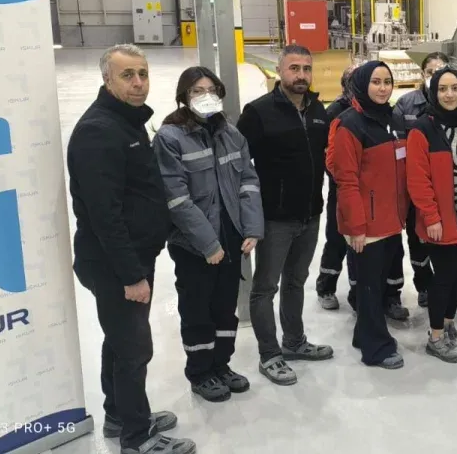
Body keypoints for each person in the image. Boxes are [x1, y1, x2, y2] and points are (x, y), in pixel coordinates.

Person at [66, 44, 193, 454]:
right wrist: (131, 275)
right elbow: (105, 216)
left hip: (132, 257)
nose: (138, 83)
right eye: (127, 75)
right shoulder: (99, 132)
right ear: (107, 80)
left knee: (119, 342)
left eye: (143, 73)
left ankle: (120, 416)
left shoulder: (126, 121)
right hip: (115, 264)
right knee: (135, 349)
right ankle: (137, 439)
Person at [153, 66, 263, 402]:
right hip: (194, 245)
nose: (206, 96)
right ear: (184, 97)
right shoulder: (169, 138)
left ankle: (221, 365)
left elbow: (248, 180)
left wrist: (252, 228)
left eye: (211, 90)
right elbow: (177, 200)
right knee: (197, 310)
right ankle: (201, 373)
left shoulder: (230, 133)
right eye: (197, 91)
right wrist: (208, 244)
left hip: (231, 238)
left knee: (225, 308)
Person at [237, 45, 336, 387]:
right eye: (294, 68)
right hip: (274, 218)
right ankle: (269, 354)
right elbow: (239, 165)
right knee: (265, 287)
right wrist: (248, 215)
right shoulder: (258, 112)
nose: (301, 75)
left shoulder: (318, 110)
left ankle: (294, 342)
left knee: (296, 281)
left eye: (306, 68)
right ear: (279, 71)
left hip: (310, 214)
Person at [328, 60, 410, 369]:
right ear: (362, 84)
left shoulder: (393, 119)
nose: (382, 88)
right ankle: (376, 347)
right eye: (376, 82)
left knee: (377, 284)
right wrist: (356, 226)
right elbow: (345, 180)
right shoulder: (349, 124)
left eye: (387, 82)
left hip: (391, 219)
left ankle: (363, 334)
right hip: (367, 223)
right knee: (370, 287)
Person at [405, 66, 457, 363]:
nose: (449, 94)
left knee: (456, 276)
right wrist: (431, 217)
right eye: (442, 89)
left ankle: (449, 324)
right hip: (440, 220)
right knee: (443, 278)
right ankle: (436, 336)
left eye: (455, 88)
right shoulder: (422, 129)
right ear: (433, 92)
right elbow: (418, 179)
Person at [393, 51, 457, 308]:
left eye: (440, 71)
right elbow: (400, 151)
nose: (437, 77)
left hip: (454, 193)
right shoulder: (406, 105)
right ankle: (424, 286)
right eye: (431, 73)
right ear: (423, 75)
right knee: (419, 242)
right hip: (419, 190)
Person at [315, 64, 361, 310]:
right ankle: (326, 287)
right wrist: (342, 179)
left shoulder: (373, 109)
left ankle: (360, 290)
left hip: (368, 191)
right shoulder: (335, 112)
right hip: (341, 189)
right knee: (336, 237)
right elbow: (326, 155)